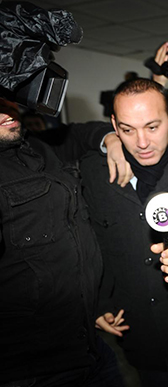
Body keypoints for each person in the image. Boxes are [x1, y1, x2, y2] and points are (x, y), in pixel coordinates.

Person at [79, 78, 168, 387]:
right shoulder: (93, 172)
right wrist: (98, 303)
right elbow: (89, 245)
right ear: (113, 126)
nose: (142, 142)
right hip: (143, 345)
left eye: (152, 126)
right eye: (128, 130)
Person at [0, 98, 125, 386]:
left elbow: (82, 133)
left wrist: (111, 139)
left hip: (89, 348)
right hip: (32, 370)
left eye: (7, 95)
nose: (8, 109)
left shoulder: (38, 146)